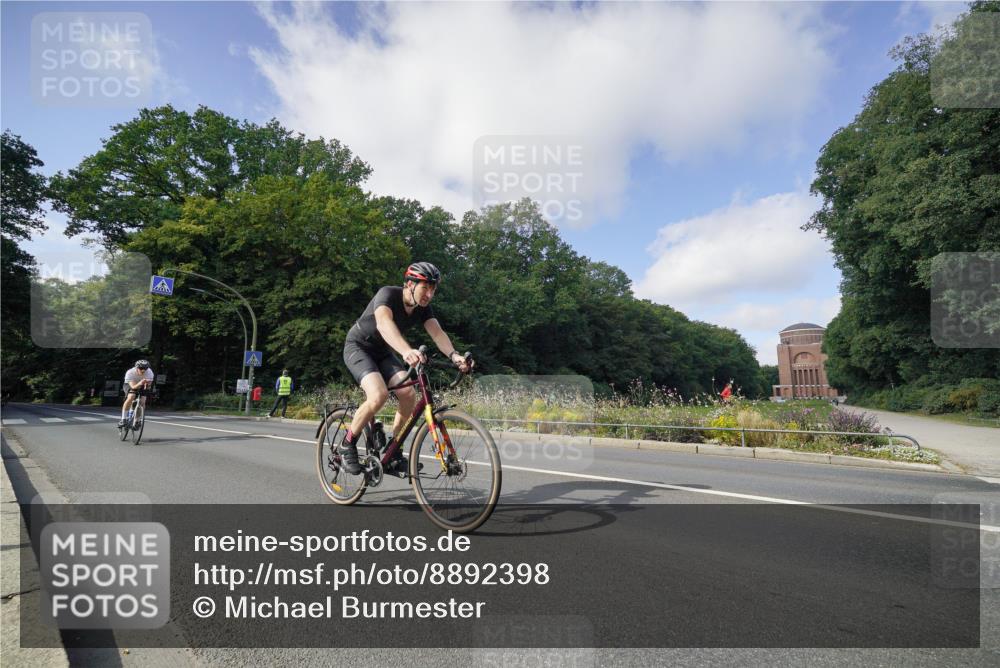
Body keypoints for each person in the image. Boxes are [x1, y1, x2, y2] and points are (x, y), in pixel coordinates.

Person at [340, 262, 473, 475]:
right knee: (378, 395)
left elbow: (437, 333)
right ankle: (347, 444)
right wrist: (406, 351)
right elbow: (384, 324)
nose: (429, 294)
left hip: (384, 352)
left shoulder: (422, 308)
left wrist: (454, 356)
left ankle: (394, 451)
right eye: (425, 287)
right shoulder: (388, 294)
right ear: (410, 284)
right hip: (359, 347)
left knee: (408, 394)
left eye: (433, 289)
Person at [119, 359, 154, 427]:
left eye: (145, 368)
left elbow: (149, 386)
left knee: (142, 401)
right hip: (130, 384)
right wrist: (140, 383)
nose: (143, 370)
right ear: (136, 368)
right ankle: (123, 419)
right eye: (141, 368)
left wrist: (147, 385)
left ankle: (137, 420)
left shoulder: (150, 372)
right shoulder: (130, 372)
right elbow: (133, 387)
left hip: (142, 385)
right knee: (131, 396)